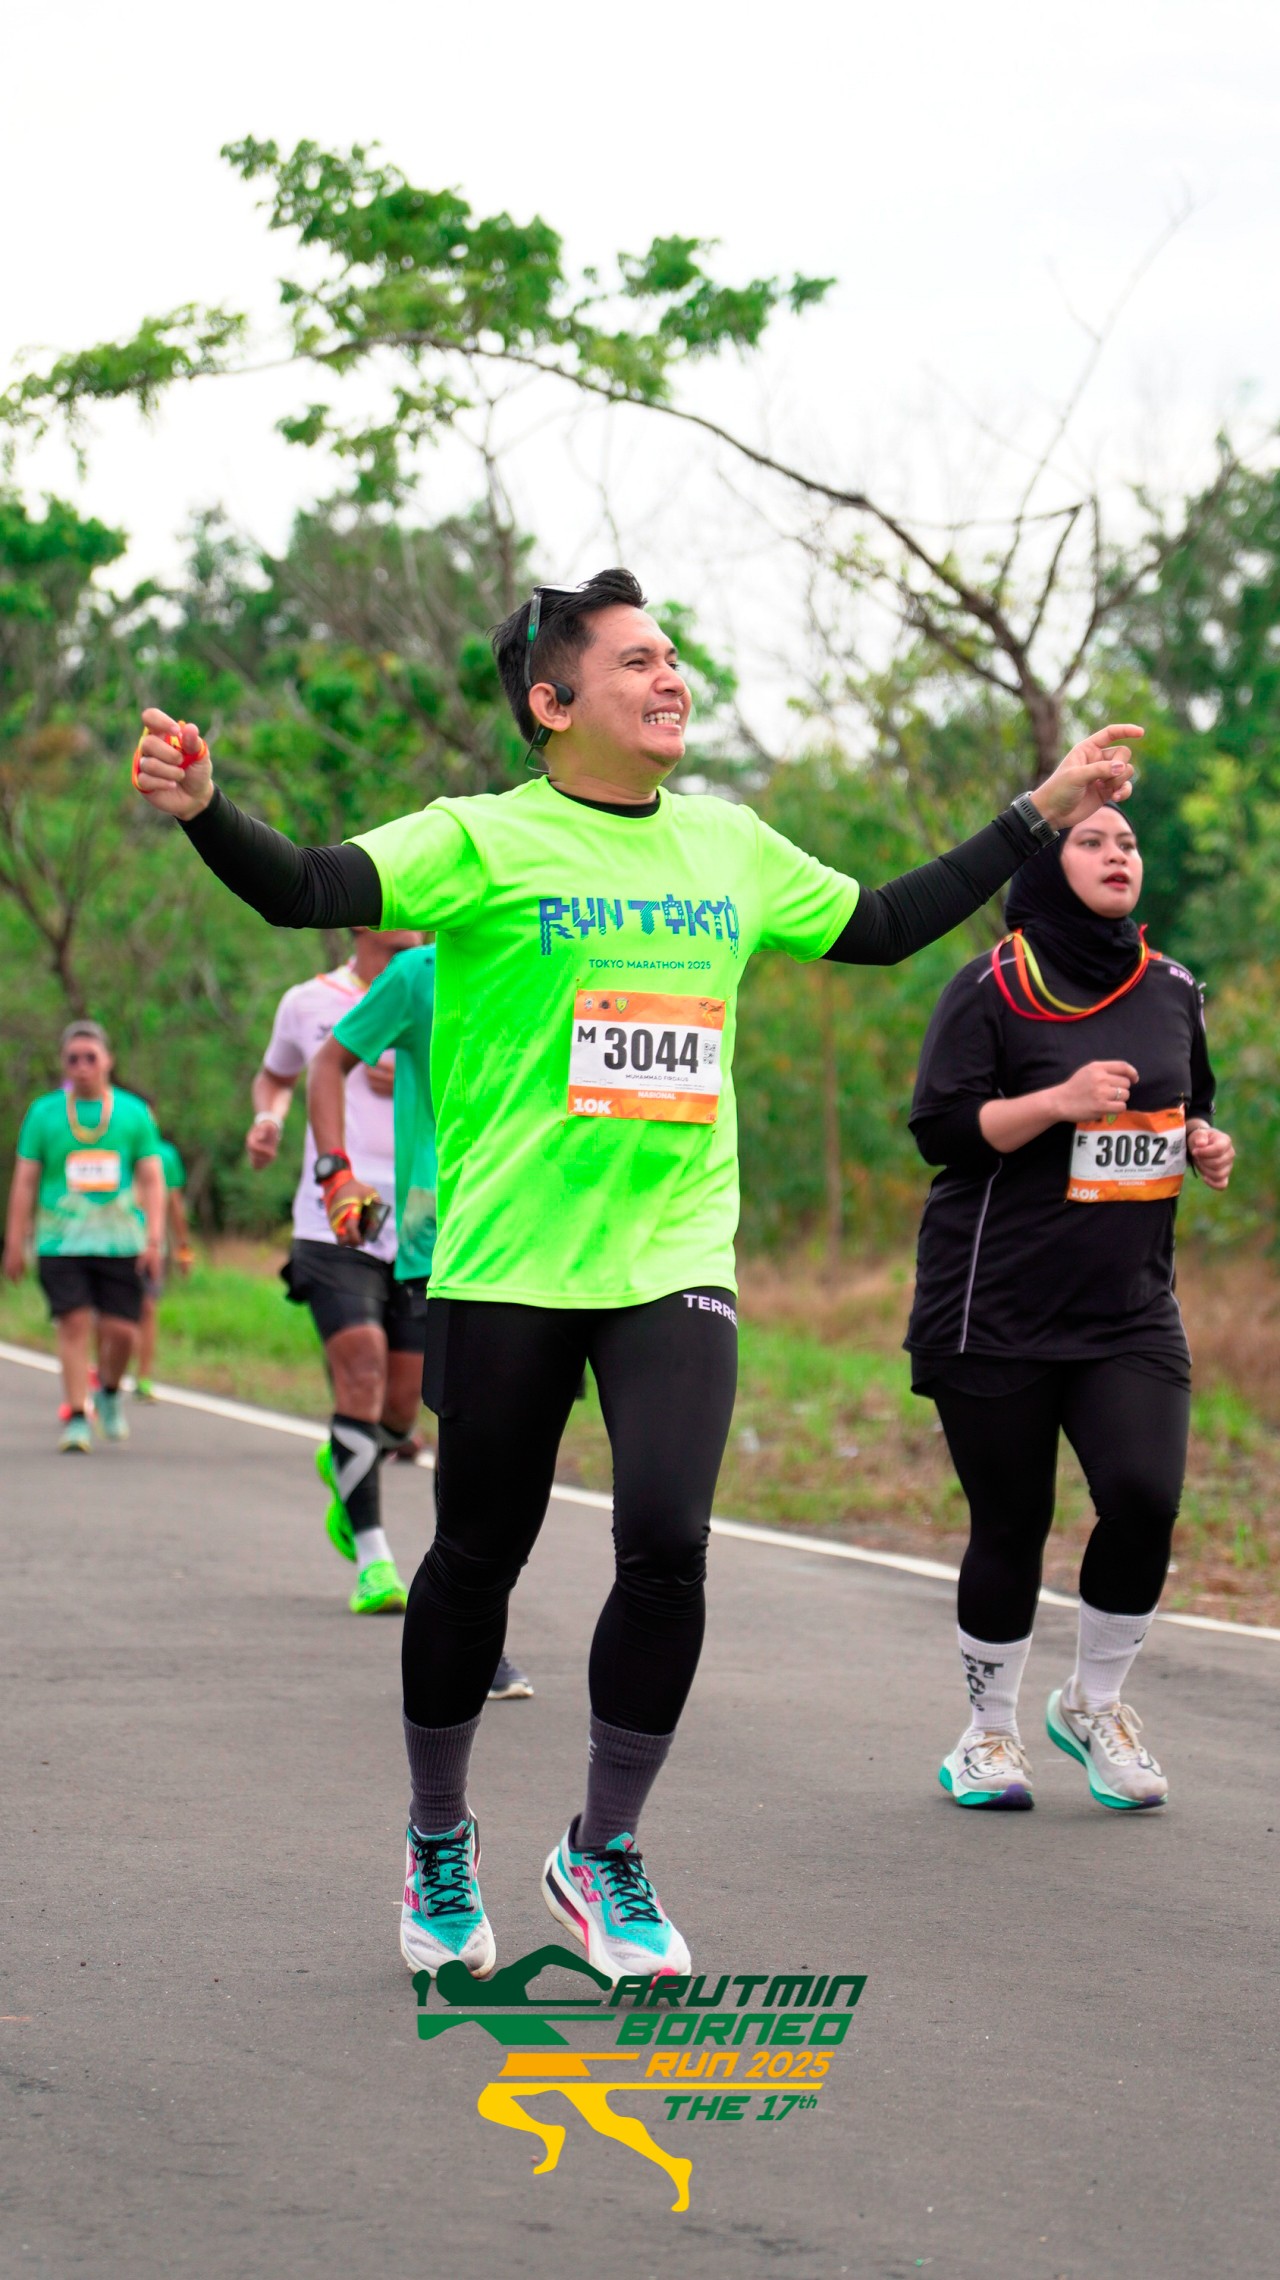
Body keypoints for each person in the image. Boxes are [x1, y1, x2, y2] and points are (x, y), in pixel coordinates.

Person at [131, 570, 1139, 1983]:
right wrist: (202, 812)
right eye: (636, 662)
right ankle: (437, 1838)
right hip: (509, 1260)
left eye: (673, 658)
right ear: (552, 703)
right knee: (476, 1556)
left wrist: (1040, 807)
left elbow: (885, 920)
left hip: (673, 1253)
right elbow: (307, 883)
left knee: (667, 1541)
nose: (671, 679)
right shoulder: (478, 839)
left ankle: (601, 1853)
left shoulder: (725, 843)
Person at [905, 802, 1235, 1813]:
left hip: (1126, 1306)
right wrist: (1055, 1102)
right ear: (1048, 868)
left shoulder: (1171, 986)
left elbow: (1187, 1100)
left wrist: (1201, 1141)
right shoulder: (992, 986)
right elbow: (940, 1131)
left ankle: (1093, 1705)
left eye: (1126, 841)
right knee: (1012, 1522)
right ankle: (987, 1734)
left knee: (1143, 1498)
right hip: (992, 1302)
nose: (1116, 853)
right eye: (1090, 840)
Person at [307, 943, 534, 1700]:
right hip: (438, 1235)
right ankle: (474, 1636)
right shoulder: (418, 975)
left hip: (534, 1233)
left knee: (466, 1432)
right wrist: (334, 1170)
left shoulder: (557, 951)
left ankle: (355, 1454)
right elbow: (327, 1064)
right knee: (454, 1429)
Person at [247, 927, 427, 1615]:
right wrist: (269, 1117)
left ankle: (348, 1459)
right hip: (338, 1214)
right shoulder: (308, 1001)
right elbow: (278, 1075)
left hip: (421, 1216)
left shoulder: (442, 983)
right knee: (362, 1372)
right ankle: (374, 1560)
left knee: (402, 1408)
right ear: (361, 917)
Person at [3, 1020, 164, 1451]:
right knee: (73, 1322)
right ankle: (76, 1415)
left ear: (108, 1061)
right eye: (73, 1059)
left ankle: (108, 1392)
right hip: (60, 1241)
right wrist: (14, 1242)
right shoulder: (43, 1113)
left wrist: (154, 1240)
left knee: (122, 1331)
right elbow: (25, 1180)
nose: (82, 1066)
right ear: (63, 1064)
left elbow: (152, 1179)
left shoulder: (132, 1113)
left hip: (121, 1241)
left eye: (90, 1057)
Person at [133, 1117, 194, 1401]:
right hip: (115, 1243)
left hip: (153, 1246)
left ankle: (143, 1378)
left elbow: (175, 1205)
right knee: (108, 1315)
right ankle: (102, 1375)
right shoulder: (115, 1144)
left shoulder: (165, 1155)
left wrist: (184, 1249)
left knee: (148, 1308)